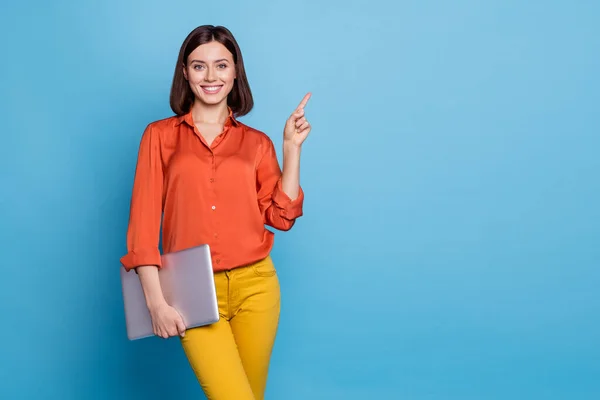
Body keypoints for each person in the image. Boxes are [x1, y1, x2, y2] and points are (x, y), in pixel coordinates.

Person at [119, 25, 311, 399]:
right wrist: (156, 302)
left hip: (257, 288)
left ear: (236, 72)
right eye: (199, 66)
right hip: (190, 292)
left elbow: (281, 216)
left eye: (221, 65)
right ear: (185, 73)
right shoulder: (159, 136)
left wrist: (291, 149)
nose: (211, 76)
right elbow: (143, 225)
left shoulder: (256, 143)